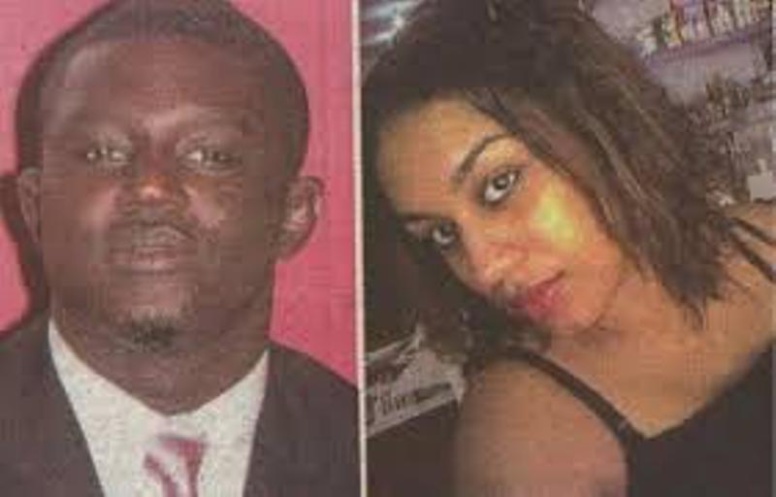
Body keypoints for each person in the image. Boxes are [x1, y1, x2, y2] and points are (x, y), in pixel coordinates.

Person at [363, 0, 773, 495]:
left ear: (602, 123)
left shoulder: (764, 239)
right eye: (441, 234)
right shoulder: (521, 447)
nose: (485, 269)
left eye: (499, 185)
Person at [0, 0, 358, 495]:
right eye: (102, 152)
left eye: (210, 155)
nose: (151, 188)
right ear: (35, 206)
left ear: (293, 214)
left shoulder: (369, 453)